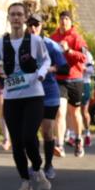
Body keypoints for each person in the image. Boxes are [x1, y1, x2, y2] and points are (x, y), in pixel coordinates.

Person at [0, 3, 51, 190]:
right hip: (12, 97)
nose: (16, 18)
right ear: (8, 18)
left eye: (19, 15)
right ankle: (25, 181)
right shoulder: (0, 43)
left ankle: (38, 168)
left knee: (28, 136)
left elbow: (46, 60)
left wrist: (41, 73)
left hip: (33, 95)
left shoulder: (35, 41)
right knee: (16, 141)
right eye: (12, 15)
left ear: (25, 18)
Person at [27, 13, 65, 179]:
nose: (33, 28)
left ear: (42, 25)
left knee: (48, 131)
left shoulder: (51, 45)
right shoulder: (21, 45)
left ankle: (48, 165)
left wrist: (51, 69)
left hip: (49, 93)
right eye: (30, 25)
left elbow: (65, 68)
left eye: (36, 24)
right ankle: (36, 164)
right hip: (29, 93)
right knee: (30, 132)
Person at [50, 11, 88, 157]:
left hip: (75, 79)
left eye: (66, 19)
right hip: (59, 80)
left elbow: (84, 57)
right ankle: (59, 144)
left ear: (71, 22)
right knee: (60, 111)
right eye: (61, 19)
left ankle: (78, 140)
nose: (63, 22)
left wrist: (69, 51)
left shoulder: (76, 37)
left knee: (75, 113)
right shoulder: (53, 38)